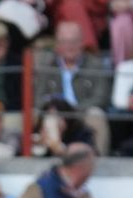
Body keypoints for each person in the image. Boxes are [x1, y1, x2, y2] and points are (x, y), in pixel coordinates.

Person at [31, 21, 112, 151]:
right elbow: (38, 97)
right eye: (64, 42)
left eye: (74, 42)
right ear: (57, 44)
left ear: (81, 43)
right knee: (36, 116)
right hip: (53, 113)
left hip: (82, 113)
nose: (69, 47)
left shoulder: (96, 65)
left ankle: (99, 161)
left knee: (96, 115)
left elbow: (101, 98)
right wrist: (53, 110)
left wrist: (71, 112)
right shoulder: (46, 66)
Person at [10, 144, 98, 198]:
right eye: (91, 166)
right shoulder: (41, 188)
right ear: (80, 166)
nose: (91, 172)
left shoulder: (84, 194)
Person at [45, 0, 112, 52]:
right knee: (71, 5)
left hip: (94, 26)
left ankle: (87, 48)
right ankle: (89, 49)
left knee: (73, 5)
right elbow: (50, 8)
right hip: (65, 24)